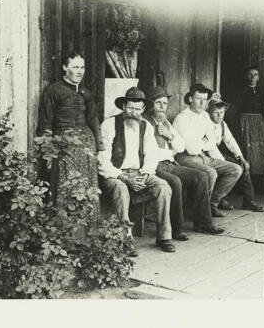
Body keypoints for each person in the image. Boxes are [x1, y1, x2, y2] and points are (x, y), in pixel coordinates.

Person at [98, 86, 175, 255]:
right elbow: (103, 161)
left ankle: (164, 236)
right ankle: (125, 239)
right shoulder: (109, 125)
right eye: (130, 108)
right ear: (124, 107)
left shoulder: (146, 126)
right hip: (115, 174)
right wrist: (124, 177)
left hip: (139, 173)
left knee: (163, 187)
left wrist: (145, 174)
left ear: (143, 109)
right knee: (121, 189)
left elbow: (152, 155)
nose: (133, 113)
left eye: (137, 109)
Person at [143, 86, 225, 235]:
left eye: (165, 103)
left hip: (169, 163)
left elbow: (180, 146)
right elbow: (150, 152)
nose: (162, 107)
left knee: (202, 176)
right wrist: (170, 151)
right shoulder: (145, 123)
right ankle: (176, 229)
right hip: (154, 166)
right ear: (150, 105)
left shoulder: (165, 122)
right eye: (158, 103)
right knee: (176, 182)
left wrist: (170, 136)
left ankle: (203, 223)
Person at [36, 52, 102, 219]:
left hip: (86, 144)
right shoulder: (54, 91)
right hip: (64, 143)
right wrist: (49, 152)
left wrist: (99, 146)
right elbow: (45, 122)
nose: (79, 71)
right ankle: (67, 233)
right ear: (65, 68)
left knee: (87, 186)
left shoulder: (85, 93)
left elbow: (93, 120)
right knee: (66, 185)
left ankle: (87, 232)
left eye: (82, 67)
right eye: (75, 67)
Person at [173, 83, 242, 217]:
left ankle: (211, 204)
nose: (202, 102)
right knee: (211, 173)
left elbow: (212, 142)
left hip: (202, 156)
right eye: (198, 98)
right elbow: (191, 149)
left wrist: (219, 160)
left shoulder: (204, 115)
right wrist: (203, 142)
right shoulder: (182, 118)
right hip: (184, 157)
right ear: (191, 99)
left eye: (204, 99)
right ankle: (201, 213)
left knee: (235, 169)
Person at [206, 93, 264, 212]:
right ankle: (218, 200)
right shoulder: (205, 123)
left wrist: (241, 158)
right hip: (206, 155)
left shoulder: (222, 124)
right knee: (229, 168)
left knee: (243, 166)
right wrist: (226, 163)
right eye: (215, 112)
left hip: (217, 155)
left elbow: (230, 141)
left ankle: (249, 201)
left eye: (222, 112)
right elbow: (211, 148)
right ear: (208, 112)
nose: (219, 116)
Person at [234, 67, 264, 185]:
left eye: (256, 75)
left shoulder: (261, 91)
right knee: (246, 149)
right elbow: (237, 109)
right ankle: (244, 182)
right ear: (246, 77)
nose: (253, 77)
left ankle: (257, 182)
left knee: (258, 150)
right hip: (245, 122)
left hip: (258, 123)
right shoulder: (241, 90)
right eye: (250, 75)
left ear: (259, 77)